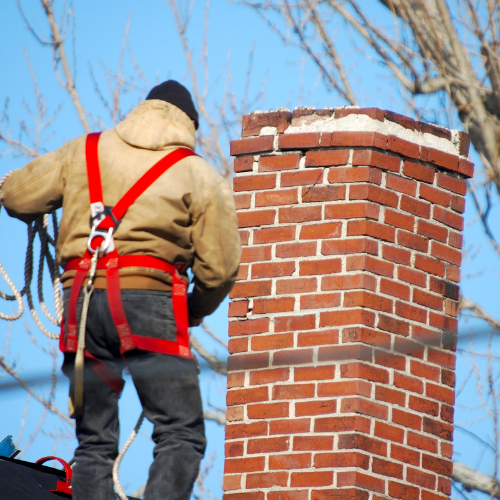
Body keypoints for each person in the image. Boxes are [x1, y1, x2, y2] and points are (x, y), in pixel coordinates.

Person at [0, 80, 241, 500]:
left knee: (94, 443)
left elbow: (17, 197)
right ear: (189, 126)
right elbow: (219, 270)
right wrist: (195, 309)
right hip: (150, 303)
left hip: (83, 304)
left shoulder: (84, 150)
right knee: (180, 432)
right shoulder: (197, 172)